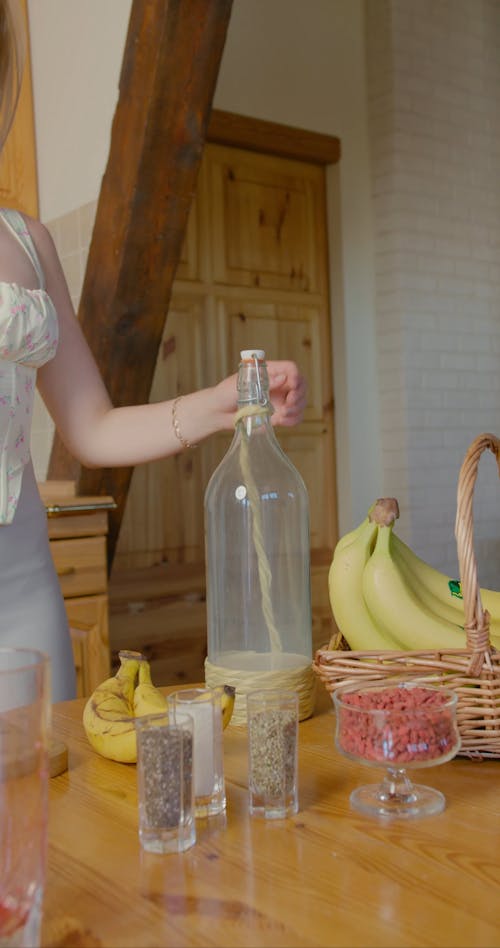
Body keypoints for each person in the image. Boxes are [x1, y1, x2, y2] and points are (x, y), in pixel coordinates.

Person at [0, 0, 308, 701]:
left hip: (20, 594)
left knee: (40, 805)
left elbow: (93, 428)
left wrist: (223, 402)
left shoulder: (28, 242)